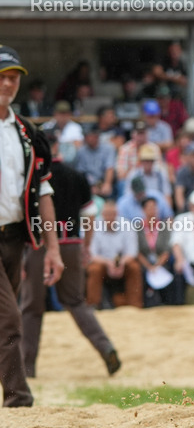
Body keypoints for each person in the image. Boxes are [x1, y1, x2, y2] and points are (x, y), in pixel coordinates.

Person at [20, 141, 120, 377]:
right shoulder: (77, 176)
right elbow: (88, 216)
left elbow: (24, 217)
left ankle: (28, 366)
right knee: (75, 302)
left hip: (40, 246)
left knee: (32, 307)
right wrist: (85, 246)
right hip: (72, 244)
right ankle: (105, 347)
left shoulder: (32, 176)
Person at [0, 46, 64, 407]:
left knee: (3, 320)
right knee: (10, 320)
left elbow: (44, 191)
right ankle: (18, 401)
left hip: (14, 238)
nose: (8, 83)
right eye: (3, 76)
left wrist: (53, 248)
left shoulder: (27, 132)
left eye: (13, 77)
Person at [86, 198, 143, 309]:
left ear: (117, 214)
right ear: (102, 214)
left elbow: (132, 252)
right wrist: (108, 263)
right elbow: (91, 254)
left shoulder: (126, 224)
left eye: (112, 214)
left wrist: (121, 263)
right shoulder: (93, 226)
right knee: (94, 269)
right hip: (102, 263)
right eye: (106, 214)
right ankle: (93, 305)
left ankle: (135, 305)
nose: (109, 217)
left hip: (122, 262)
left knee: (134, 268)